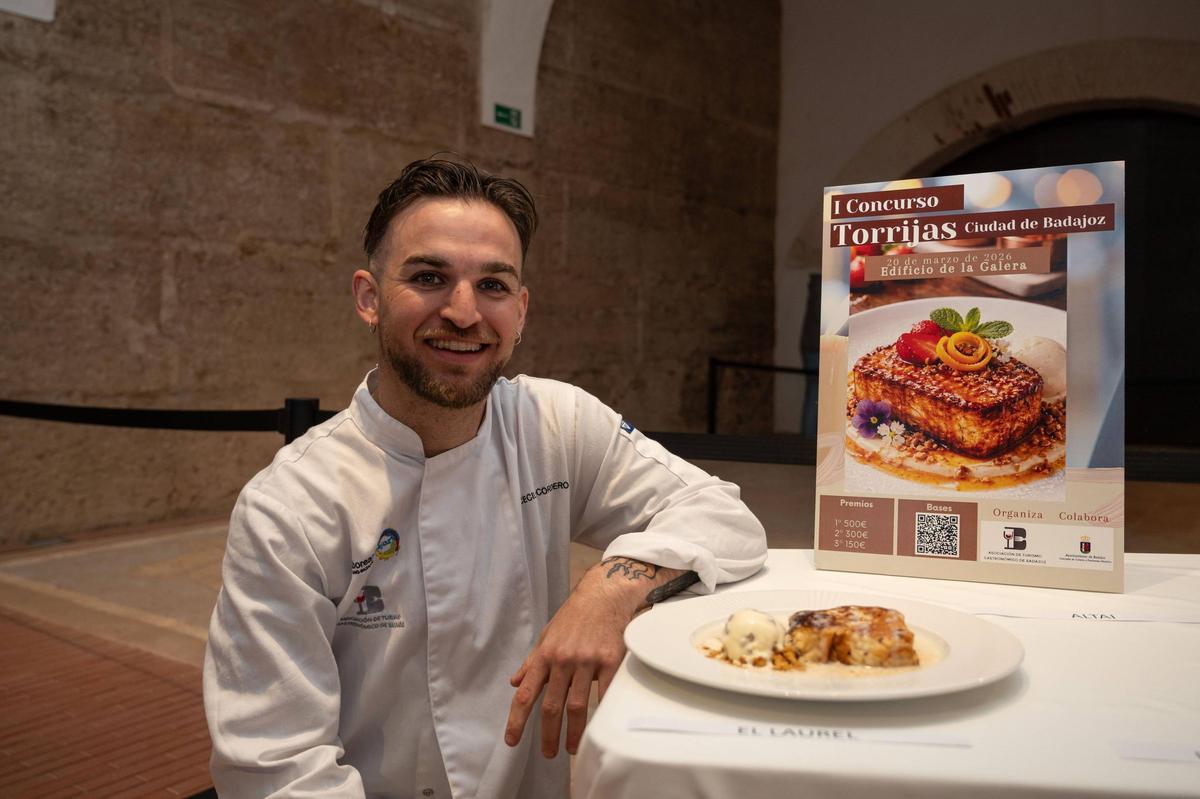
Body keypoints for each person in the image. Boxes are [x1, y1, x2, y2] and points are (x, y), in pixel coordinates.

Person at [203, 157, 767, 798]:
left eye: (493, 286)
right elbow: (275, 769)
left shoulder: (554, 423)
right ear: (368, 298)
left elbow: (722, 515)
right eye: (429, 277)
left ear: (521, 310)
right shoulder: (291, 505)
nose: (465, 313)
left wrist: (607, 591)